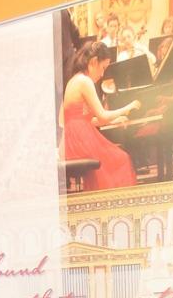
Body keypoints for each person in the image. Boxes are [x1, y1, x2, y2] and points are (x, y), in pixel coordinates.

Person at [59, 41, 141, 191]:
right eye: (103, 68)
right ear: (94, 62)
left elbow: (88, 120)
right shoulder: (84, 81)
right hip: (79, 140)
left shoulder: (75, 79)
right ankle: (115, 200)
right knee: (121, 159)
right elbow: (102, 116)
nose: (102, 74)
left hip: (73, 138)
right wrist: (127, 108)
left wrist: (114, 120)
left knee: (115, 159)